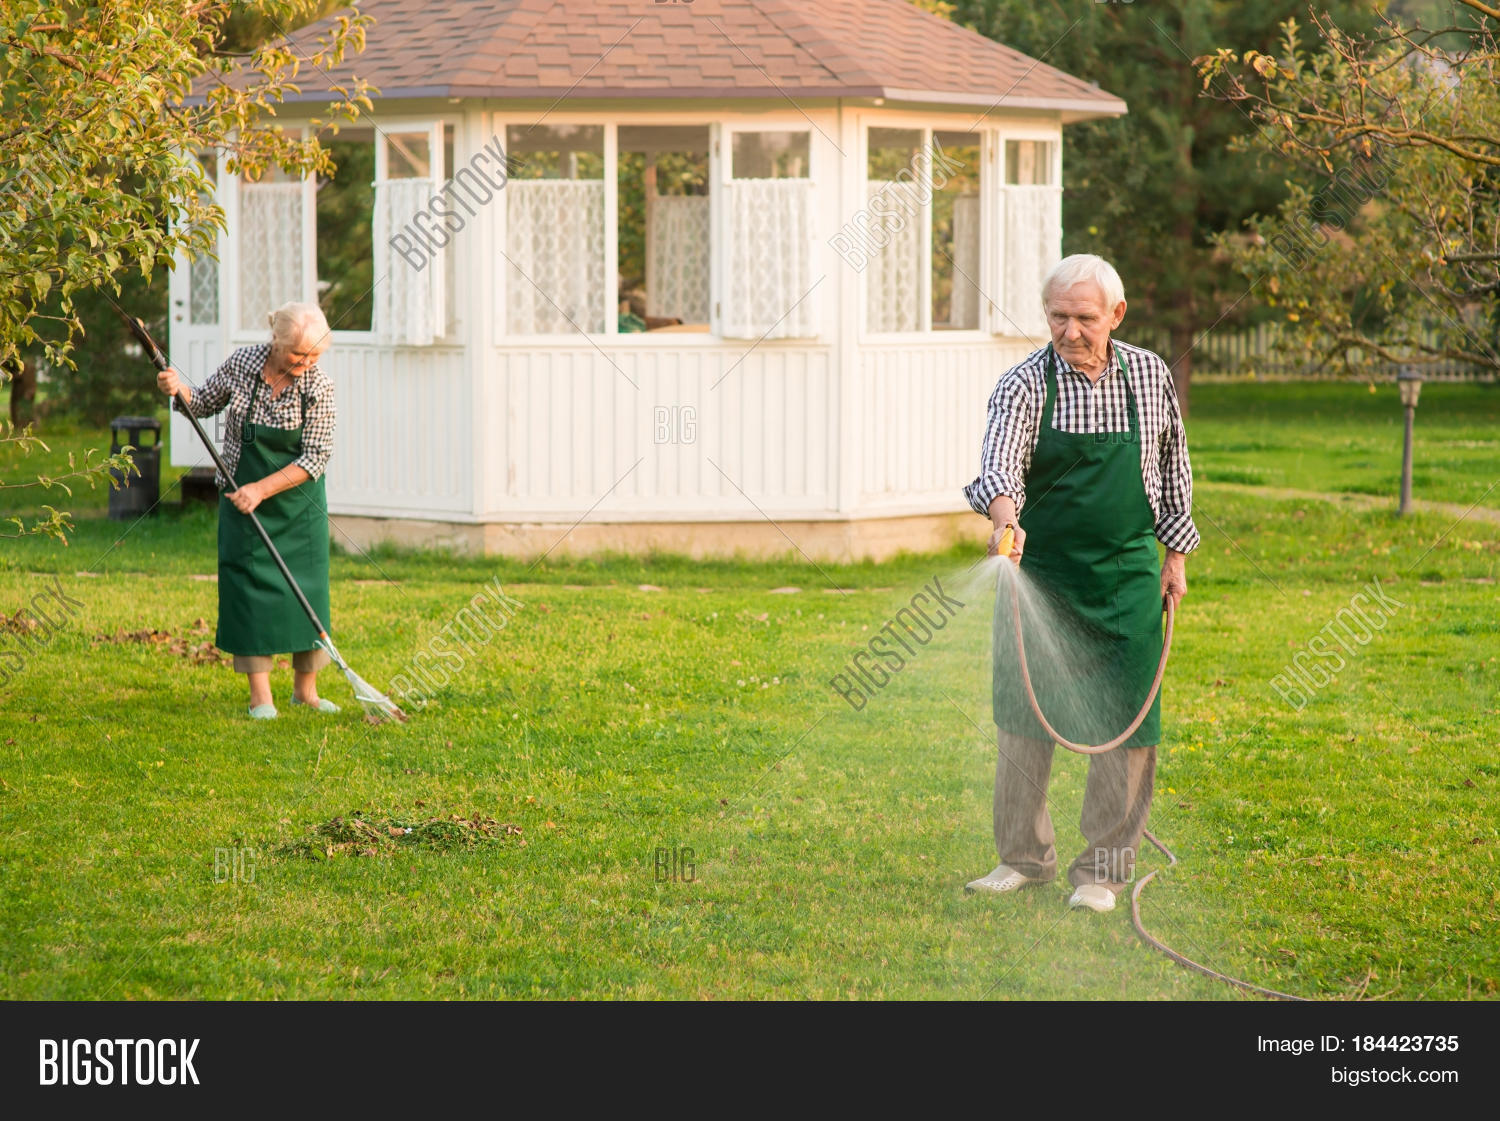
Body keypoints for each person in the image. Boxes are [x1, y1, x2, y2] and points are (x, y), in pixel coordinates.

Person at [963, 254, 1198, 912]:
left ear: (1116, 316)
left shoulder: (1149, 377)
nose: (1069, 331)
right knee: (1023, 718)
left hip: (1126, 578)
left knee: (1127, 725)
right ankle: (1022, 858)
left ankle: (1104, 871)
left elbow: (1174, 465)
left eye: (1084, 318)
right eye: (1058, 316)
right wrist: (1005, 520)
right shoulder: (1025, 385)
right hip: (1042, 577)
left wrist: (1174, 556)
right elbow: (1000, 466)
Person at [157, 302, 339, 719]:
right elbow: (201, 403)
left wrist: (262, 488)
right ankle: (261, 697)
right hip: (242, 502)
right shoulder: (243, 363)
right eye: (298, 354)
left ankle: (305, 693)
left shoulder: (319, 386)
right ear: (275, 341)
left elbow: (314, 458)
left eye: (314, 356)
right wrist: (177, 389)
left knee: (306, 591)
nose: (306, 363)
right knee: (247, 592)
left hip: (298, 507)